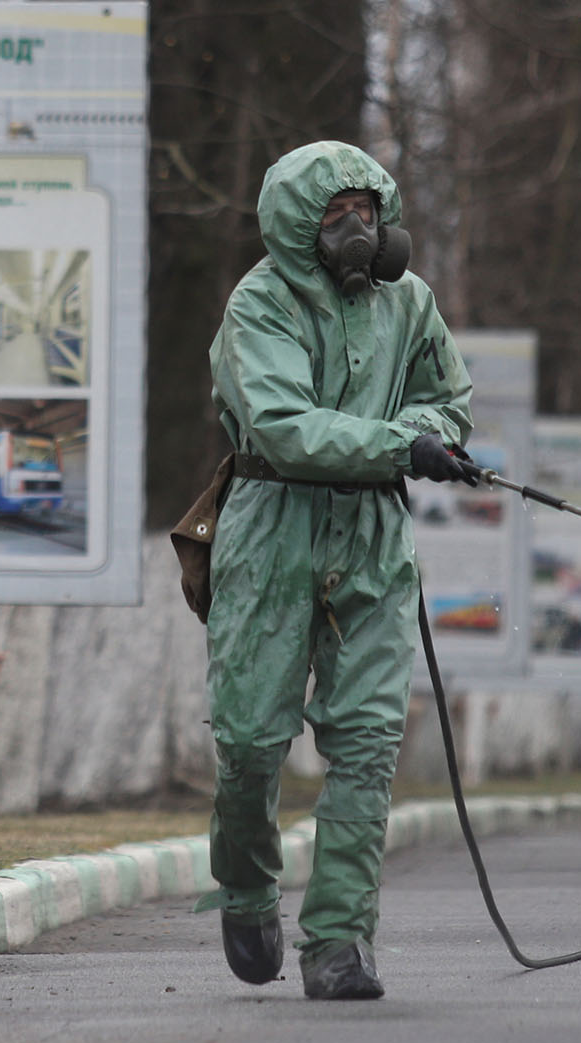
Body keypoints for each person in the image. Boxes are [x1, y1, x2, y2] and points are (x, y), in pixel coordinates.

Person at [195, 141, 475, 999]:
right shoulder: (260, 305)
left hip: (371, 539)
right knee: (249, 744)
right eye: (332, 212)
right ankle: (245, 890)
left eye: (366, 207)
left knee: (365, 745)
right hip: (272, 526)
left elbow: (450, 398)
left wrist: (431, 432)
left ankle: (339, 942)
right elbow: (283, 425)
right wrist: (401, 440)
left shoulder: (410, 300)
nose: (355, 226)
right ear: (294, 224)